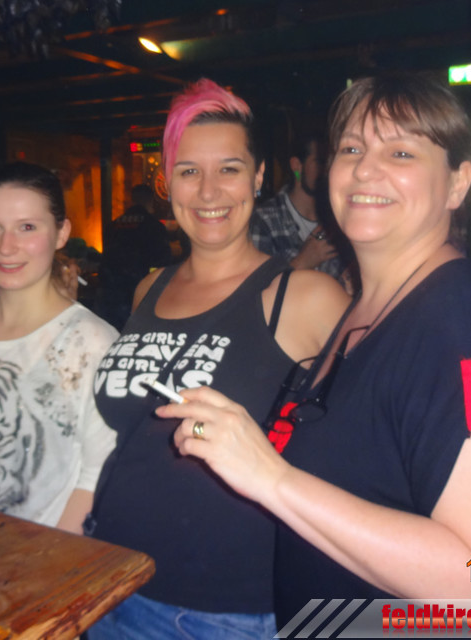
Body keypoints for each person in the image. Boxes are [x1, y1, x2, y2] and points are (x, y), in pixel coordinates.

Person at [155, 74, 471, 625]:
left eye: (401, 152)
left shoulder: (466, 326)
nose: (365, 170)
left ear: (457, 183)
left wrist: (271, 478)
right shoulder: (364, 313)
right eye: (351, 149)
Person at [89, 79, 349, 638]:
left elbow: (368, 448)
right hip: (110, 582)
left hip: (221, 611)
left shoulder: (304, 297)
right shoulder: (149, 288)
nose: (208, 191)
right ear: (167, 182)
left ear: (258, 177)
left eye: (229, 169)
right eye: (189, 171)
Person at [0, 162, 118, 534]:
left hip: (43, 556)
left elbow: (95, 478)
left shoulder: (93, 343)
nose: (6, 247)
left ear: (61, 233)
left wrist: (48, 560)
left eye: (27, 227)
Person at [250, 126, 347, 280]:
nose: (327, 170)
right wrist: (302, 262)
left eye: (330, 162)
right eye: (320, 162)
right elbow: (255, 288)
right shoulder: (264, 220)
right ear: (296, 165)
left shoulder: (338, 219)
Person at [98, 183, 172, 328]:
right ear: (150, 200)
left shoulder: (114, 224)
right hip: (139, 289)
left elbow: (107, 255)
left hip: (112, 290)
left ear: (132, 199)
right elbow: (163, 261)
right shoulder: (153, 226)